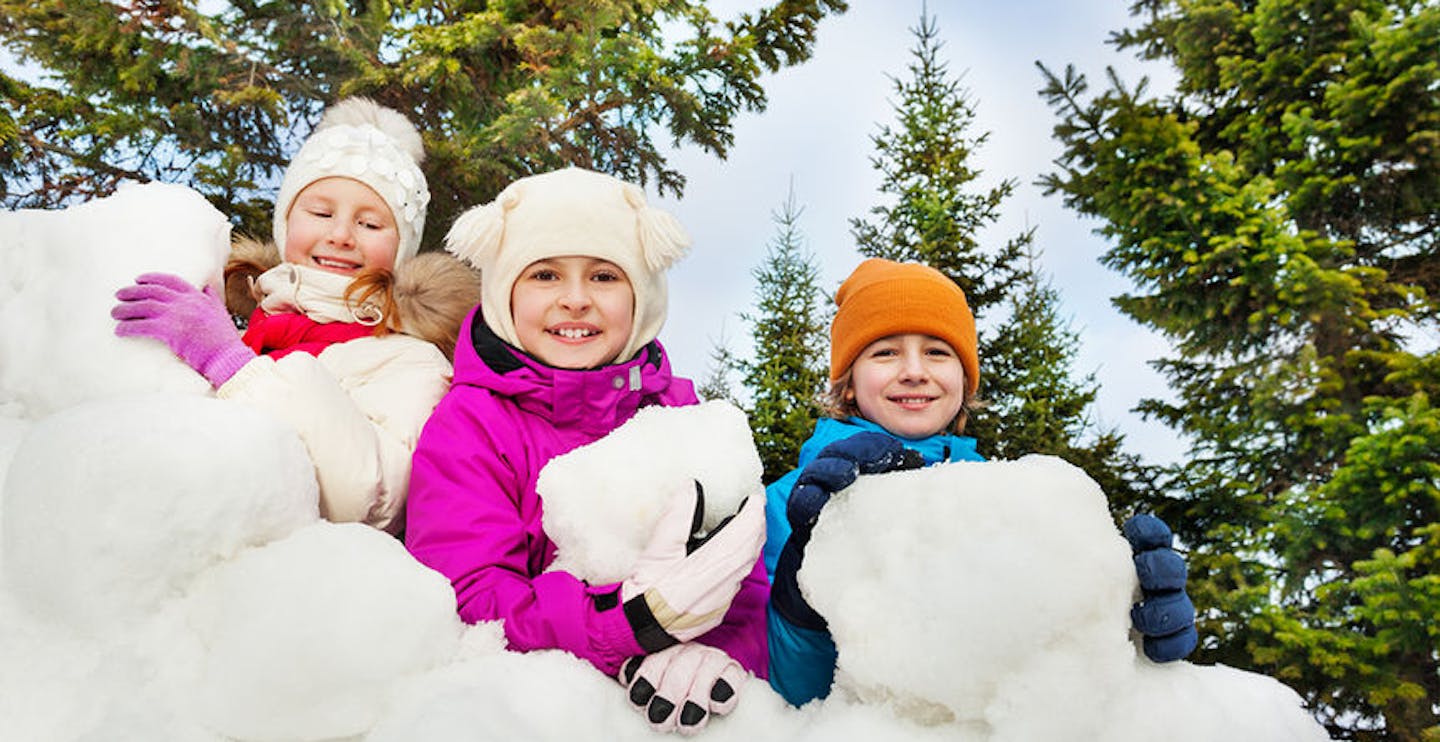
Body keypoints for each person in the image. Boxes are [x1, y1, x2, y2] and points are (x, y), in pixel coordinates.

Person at [404, 167, 768, 736]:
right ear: (505, 293)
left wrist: (715, 652)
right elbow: (469, 597)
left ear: (641, 296)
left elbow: (743, 579)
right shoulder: (470, 424)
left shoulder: (683, 416)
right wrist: (627, 625)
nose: (575, 301)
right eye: (545, 274)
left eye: (603, 276)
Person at [764, 257, 1199, 707]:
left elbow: (1040, 660)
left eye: (937, 351)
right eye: (885, 352)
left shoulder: (1010, 497)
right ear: (848, 383)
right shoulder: (784, 505)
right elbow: (782, 690)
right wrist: (803, 599)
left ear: (964, 380)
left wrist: (1128, 620)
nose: (914, 370)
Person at [110, 97, 479, 535]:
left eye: (371, 224)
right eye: (321, 213)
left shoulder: (409, 357)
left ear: (401, 250)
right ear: (286, 223)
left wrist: (232, 366)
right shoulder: (229, 320)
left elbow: (374, 499)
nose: (341, 235)